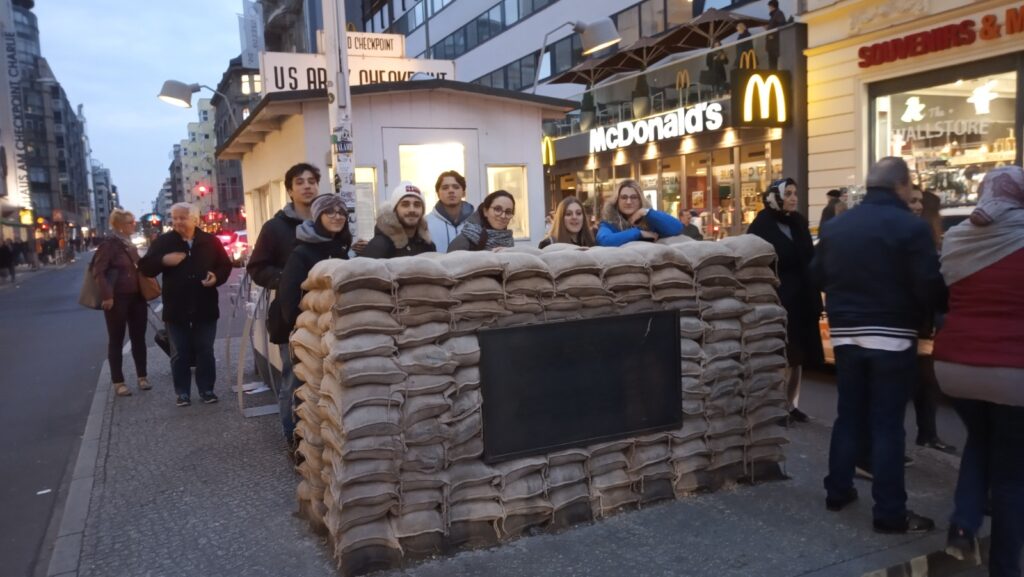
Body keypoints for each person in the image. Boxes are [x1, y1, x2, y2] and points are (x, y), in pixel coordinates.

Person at [813, 157, 946, 534]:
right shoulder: (911, 227)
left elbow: (816, 275)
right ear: (901, 185)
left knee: (848, 414)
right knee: (887, 424)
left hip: (846, 333)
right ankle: (889, 512)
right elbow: (928, 284)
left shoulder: (837, 226)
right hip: (892, 333)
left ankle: (837, 490)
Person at [934, 166, 1024, 572]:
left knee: (980, 441)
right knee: (1011, 475)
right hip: (1013, 370)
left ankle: (963, 524)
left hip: (955, 363)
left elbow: (941, 292)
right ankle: (1004, 567)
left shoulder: (957, 239)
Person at [247, 163, 319, 443]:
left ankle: (316, 435)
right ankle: (292, 436)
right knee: (293, 377)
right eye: (300, 182)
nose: (307, 186)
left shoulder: (329, 222)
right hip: (290, 315)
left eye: (312, 181)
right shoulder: (275, 227)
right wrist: (286, 280)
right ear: (289, 190)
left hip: (324, 314)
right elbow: (257, 267)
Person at [139, 202, 232, 407]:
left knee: (205, 350)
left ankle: (207, 389)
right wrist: (163, 260)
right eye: (175, 218)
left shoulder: (210, 241)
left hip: (205, 304)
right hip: (176, 307)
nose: (178, 222)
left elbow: (225, 265)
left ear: (195, 220)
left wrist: (216, 277)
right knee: (179, 352)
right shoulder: (164, 242)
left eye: (183, 218)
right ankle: (182, 392)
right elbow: (145, 267)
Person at [748, 178, 822, 424]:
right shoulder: (762, 225)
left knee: (798, 355)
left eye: (795, 193)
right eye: (788, 193)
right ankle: (775, 406)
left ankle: (791, 404)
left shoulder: (798, 222)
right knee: (781, 354)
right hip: (778, 298)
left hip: (803, 298)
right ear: (775, 197)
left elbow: (809, 256)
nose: (793, 198)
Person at [276, 195, 352, 430]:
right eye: (330, 212)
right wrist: (302, 329)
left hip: (327, 330)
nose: (337, 216)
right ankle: (291, 433)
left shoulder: (341, 248)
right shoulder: (302, 252)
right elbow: (288, 296)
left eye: (341, 212)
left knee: (320, 383)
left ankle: (317, 433)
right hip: (297, 330)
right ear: (318, 216)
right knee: (294, 382)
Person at [907, 188, 956, 454]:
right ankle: (925, 435)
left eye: (919, 203)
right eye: (912, 201)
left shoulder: (923, 235)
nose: (916, 207)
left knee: (925, 382)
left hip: (920, 323)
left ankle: (927, 434)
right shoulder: (917, 235)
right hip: (915, 323)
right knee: (920, 382)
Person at [93, 209, 149, 397]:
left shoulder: (129, 243)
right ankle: (118, 381)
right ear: (119, 225)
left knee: (139, 337)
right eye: (130, 222)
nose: (134, 224)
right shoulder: (109, 245)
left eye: (133, 221)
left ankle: (142, 376)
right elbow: (99, 272)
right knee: (116, 339)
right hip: (117, 298)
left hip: (137, 296)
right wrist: (107, 296)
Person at [596, 180, 683, 247]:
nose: (629, 202)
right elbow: (604, 241)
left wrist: (646, 212)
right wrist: (639, 233)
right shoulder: (609, 223)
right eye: (624, 197)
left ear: (640, 200)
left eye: (634, 197)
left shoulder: (650, 219)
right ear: (617, 201)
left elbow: (677, 228)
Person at [362, 182, 436, 258]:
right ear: (394, 210)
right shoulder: (379, 246)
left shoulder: (428, 247)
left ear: (423, 211)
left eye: (417, 205)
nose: (412, 210)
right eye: (405, 204)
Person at [448, 190, 517, 252]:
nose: (503, 216)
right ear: (485, 211)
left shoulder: (508, 241)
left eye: (508, 212)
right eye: (497, 209)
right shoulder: (463, 242)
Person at [427, 170, 474, 253]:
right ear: (438, 194)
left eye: (456, 187)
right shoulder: (426, 223)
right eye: (445, 188)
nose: (451, 191)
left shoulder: (476, 222)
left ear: (464, 193)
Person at [765, 0, 786, 70]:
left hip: (774, 43)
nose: (769, 8)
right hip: (772, 43)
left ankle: (773, 73)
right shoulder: (774, 15)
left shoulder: (778, 14)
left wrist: (773, 35)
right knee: (772, 63)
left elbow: (782, 25)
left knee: (773, 63)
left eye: (769, 7)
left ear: (772, 6)